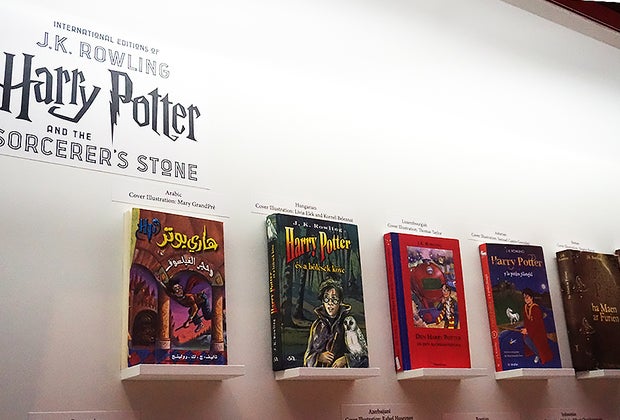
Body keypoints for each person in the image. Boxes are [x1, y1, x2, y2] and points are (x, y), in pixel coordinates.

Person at [303, 278, 368, 368]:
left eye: (334, 299)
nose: (330, 303)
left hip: (343, 374)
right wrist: (318, 357)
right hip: (319, 374)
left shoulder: (348, 323)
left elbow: (364, 357)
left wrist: (346, 359)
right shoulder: (317, 325)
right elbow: (306, 360)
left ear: (340, 302)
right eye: (326, 299)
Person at [520, 288, 553, 364]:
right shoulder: (525, 307)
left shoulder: (536, 308)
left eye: (528, 297)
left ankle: (540, 355)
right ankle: (538, 354)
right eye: (525, 298)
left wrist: (528, 330)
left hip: (538, 331)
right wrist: (526, 329)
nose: (526, 299)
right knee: (526, 339)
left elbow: (537, 324)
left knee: (530, 340)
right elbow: (526, 321)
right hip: (530, 331)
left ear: (531, 297)